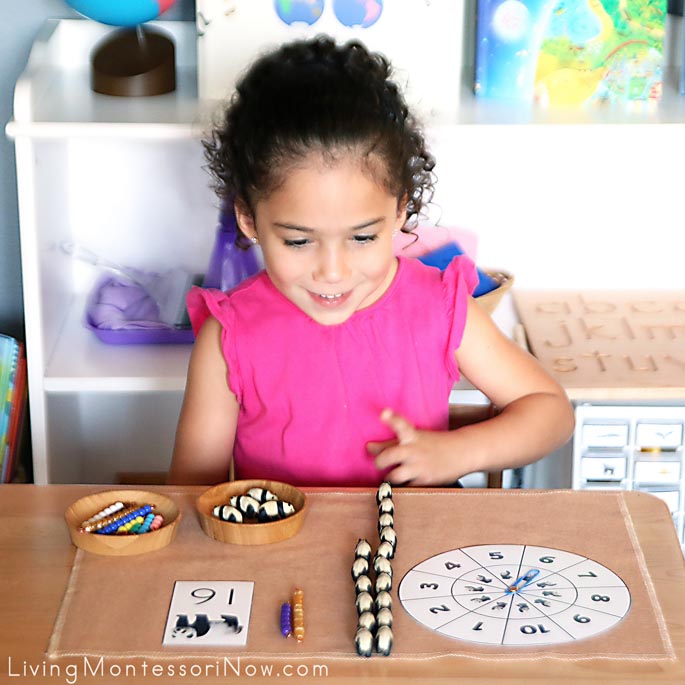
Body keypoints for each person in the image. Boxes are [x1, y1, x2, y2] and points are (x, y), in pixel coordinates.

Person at [167, 36, 574, 487]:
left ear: (400, 211)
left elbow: (551, 411)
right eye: (299, 242)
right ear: (248, 218)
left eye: (362, 237)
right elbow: (192, 493)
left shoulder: (439, 307)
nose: (334, 272)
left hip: (418, 550)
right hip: (283, 554)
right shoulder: (229, 335)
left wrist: (461, 452)